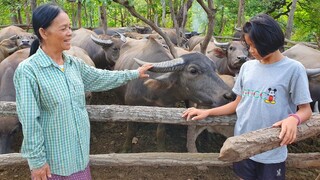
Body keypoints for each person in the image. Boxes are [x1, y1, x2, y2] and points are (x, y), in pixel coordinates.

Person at [13, 3, 152, 180]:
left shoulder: (73, 64)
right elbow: (30, 122)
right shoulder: (28, 71)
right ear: (43, 32)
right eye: (64, 28)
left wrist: (134, 73)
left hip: (79, 159)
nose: (70, 32)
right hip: (53, 167)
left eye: (70, 27)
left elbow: (101, 77)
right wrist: (37, 163)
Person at [182, 13, 312, 180]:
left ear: (269, 42)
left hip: (272, 148)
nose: (250, 51)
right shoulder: (247, 67)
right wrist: (208, 112)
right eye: (249, 45)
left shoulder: (294, 69)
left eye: (254, 46)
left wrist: (294, 119)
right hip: (243, 144)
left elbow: (305, 110)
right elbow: (237, 103)